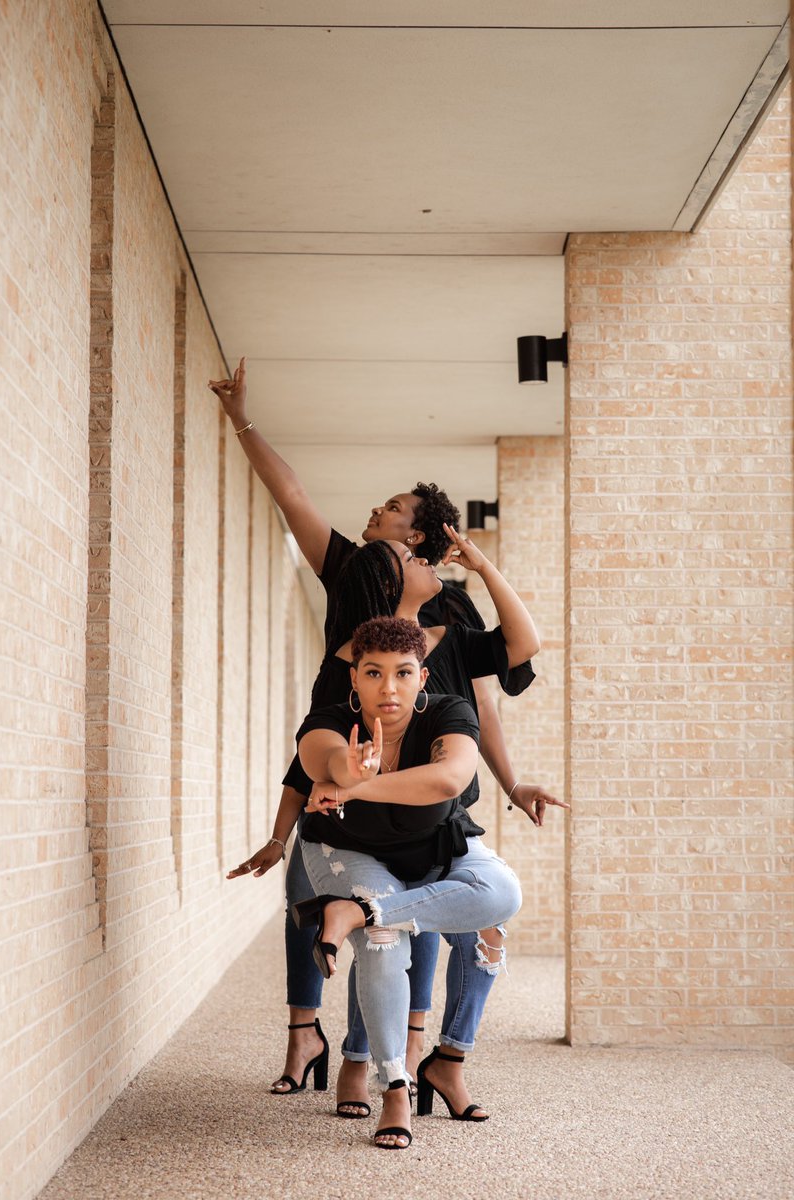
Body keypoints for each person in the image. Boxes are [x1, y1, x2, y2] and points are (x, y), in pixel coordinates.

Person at [209, 357, 557, 1099]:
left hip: (428, 792)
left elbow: (492, 695)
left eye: (393, 513)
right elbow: (291, 493)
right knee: (324, 892)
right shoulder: (355, 602)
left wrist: (510, 779)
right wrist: (242, 417)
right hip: (344, 776)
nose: (376, 514)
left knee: (420, 916)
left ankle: (407, 1058)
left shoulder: (453, 621)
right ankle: (327, 1045)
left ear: (423, 543)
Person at [295, 616, 523, 1149]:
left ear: (423, 677)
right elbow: (323, 759)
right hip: (345, 849)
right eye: (373, 673)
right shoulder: (327, 722)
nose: (388, 687)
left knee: (502, 894)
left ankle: (357, 911)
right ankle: (395, 1086)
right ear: (354, 677)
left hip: (437, 844)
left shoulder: (449, 711)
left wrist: (351, 791)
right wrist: (348, 769)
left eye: (402, 673)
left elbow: (448, 778)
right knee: (382, 942)